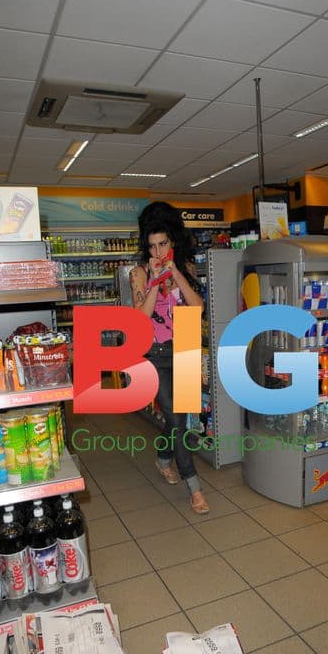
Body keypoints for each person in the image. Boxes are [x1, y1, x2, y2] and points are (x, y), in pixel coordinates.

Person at [129, 201, 210, 514]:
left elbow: (197, 307)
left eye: (163, 243)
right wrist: (155, 281)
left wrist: (174, 272)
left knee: (179, 419)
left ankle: (163, 457)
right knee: (176, 420)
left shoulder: (184, 268)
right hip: (155, 355)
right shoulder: (139, 273)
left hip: (185, 346)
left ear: (172, 242)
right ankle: (195, 488)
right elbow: (141, 316)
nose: (158, 251)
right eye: (152, 246)